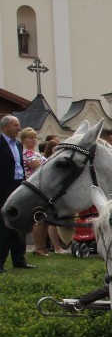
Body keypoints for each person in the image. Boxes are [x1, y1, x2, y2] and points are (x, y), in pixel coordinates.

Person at [20, 127, 65, 255]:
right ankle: (38, 247)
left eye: (35, 137)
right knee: (38, 219)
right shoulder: (26, 154)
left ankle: (43, 246)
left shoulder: (37, 154)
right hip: (34, 188)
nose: (33, 140)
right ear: (23, 140)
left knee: (44, 218)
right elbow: (41, 168)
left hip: (44, 189)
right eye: (30, 138)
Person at [0, 116, 35, 271]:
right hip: (3, 187)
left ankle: (19, 259)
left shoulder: (19, 145)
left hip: (18, 185)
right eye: (15, 125)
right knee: (4, 225)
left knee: (20, 222)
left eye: (19, 125)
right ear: (5, 127)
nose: (18, 128)